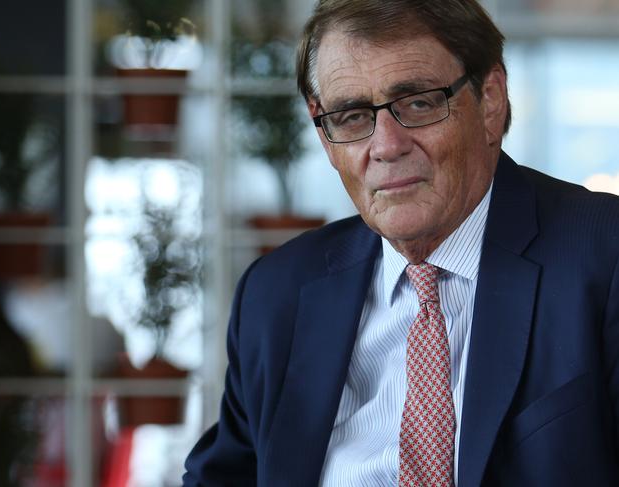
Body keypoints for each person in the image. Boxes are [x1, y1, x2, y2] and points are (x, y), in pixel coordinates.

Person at [183, 0, 619, 485]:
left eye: (418, 103)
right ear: (326, 137)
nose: (387, 146)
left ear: (491, 100)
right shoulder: (276, 294)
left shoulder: (604, 256)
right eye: (351, 116)